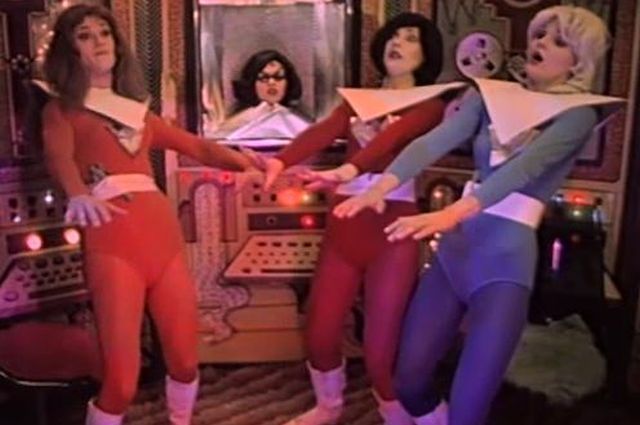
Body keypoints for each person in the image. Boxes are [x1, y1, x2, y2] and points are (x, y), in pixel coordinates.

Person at [334, 6, 619, 425]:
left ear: (578, 61)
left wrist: (453, 213)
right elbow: (433, 141)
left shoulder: (579, 114)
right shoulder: (490, 97)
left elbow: (524, 170)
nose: (540, 43)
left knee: (468, 410)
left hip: (504, 267)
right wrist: (380, 186)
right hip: (455, 253)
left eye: (558, 41)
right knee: (408, 383)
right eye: (540, 34)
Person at [39, 5, 254, 424]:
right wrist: (77, 193)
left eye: (104, 32)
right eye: (85, 35)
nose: (99, 41)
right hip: (112, 246)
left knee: (186, 362)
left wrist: (248, 162)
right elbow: (58, 155)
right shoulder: (62, 110)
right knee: (121, 383)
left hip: (163, 241)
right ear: (69, 49)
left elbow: (199, 146)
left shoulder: (137, 113)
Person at [255, 12, 445, 425]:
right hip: (344, 225)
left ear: (426, 53)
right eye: (393, 35)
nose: (397, 42)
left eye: (410, 38)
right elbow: (322, 132)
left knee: (380, 352)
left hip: (392, 228)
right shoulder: (359, 101)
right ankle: (329, 406)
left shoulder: (431, 105)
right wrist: (279, 161)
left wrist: (348, 169)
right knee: (320, 333)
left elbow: (393, 138)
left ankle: (396, 414)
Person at [212, 49, 310, 140]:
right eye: (263, 78)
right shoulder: (240, 121)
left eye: (278, 77)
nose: (271, 82)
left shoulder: (298, 121)